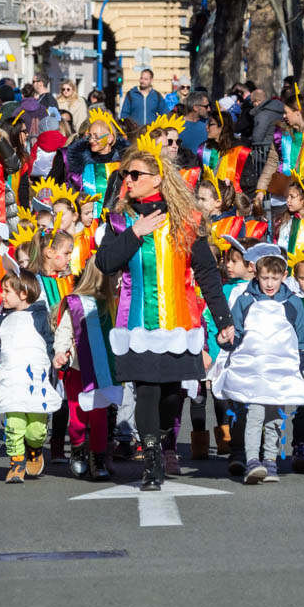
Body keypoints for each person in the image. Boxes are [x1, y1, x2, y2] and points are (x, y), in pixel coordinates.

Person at [93, 140, 235, 491]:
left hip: (179, 323)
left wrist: (224, 320)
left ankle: (157, 438)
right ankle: (153, 458)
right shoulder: (120, 219)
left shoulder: (188, 219)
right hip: (137, 322)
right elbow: (106, 263)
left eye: (136, 174)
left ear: (157, 179)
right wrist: (135, 234)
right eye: (125, 174)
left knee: (173, 395)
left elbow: (206, 274)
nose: (128, 179)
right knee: (147, 392)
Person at [209, 251, 304, 484]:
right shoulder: (245, 300)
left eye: (275, 279)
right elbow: (236, 332)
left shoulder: (292, 303)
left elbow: (302, 338)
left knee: (275, 417)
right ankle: (253, 460)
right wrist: (225, 342)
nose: (269, 284)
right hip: (253, 367)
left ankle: (271, 461)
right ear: (256, 274)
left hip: (280, 369)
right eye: (265, 278)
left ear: (284, 276)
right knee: (254, 414)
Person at [0, 268, 61, 484]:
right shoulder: (0, 321)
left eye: (7, 291)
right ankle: (16, 462)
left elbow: (49, 346)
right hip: (10, 381)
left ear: (24, 293)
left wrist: (56, 361)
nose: (3, 295)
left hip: (36, 382)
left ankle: (35, 449)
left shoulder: (40, 317)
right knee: (15, 426)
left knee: (36, 430)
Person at [52, 263, 122, 481]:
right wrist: (61, 352)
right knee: (78, 416)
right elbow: (64, 331)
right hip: (78, 368)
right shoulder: (76, 304)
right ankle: (78, 449)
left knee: (100, 416)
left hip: (103, 371)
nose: (119, 282)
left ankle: (98, 457)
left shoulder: (117, 303)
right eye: (114, 278)